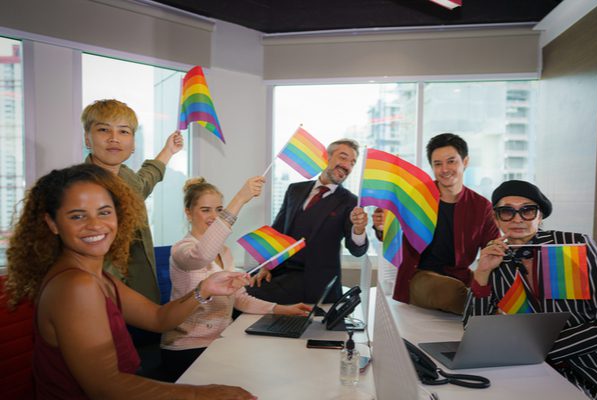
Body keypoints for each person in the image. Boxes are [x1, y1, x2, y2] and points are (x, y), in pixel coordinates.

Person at [3, 163, 256, 400]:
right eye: (77, 216)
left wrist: (204, 289)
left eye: (104, 212)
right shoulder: (75, 286)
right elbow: (105, 386)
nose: (95, 225)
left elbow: (158, 319)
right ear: (52, 224)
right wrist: (202, 394)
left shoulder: (96, 277)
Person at [161, 176, 312, 379]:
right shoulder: (182, 250)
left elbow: (240, 298)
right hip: (187, 347)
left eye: (219, 210)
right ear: (188, 213)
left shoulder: (224, 252)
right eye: (205, 210)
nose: (214, 216)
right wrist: (241, 197)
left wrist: (281, 309)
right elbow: (202, 255)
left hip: (221, 340)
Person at [465, 180, 597, 400]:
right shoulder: (497, 258)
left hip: (589, 368)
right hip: (528, 374)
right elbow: (473, 331)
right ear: (496, 218)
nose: (517, 219)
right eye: (507, 212)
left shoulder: (573, 247)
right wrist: (482, 273)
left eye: (527, 211)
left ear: (540, 216)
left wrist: (542, 349)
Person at [373, 133, 499, 314]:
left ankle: (489, 312)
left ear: (465, 162)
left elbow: (493, 246)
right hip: (419, 275)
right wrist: (381, 226)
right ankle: (485, 312)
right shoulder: (417, 196)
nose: (445, 169)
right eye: (437, 164)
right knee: (452, 291)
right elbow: (391, 231)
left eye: (451, 161)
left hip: (461, 276)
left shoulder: (481, 206)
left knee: (498, 290)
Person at [82, 99, 183, 304]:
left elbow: (145, 182)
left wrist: (168, 151)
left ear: (133, 143)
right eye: (104, 130)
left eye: (123, 132)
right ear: (87, 139)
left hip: (139, 290)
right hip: (100, 295)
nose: (114, 139)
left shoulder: (126, 177)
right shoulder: (79, 188)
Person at [247, 138, 369, 304]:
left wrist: (359, 230)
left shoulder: (350, 202)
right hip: (280, 272)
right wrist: (266, 265)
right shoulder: (294, 190)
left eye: (352, 163)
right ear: (326, 157)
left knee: (245, 295)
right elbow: (277, 232)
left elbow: (357, 250)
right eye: (343, 157)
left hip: (315, 284)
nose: (347, 166)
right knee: (239, 287)